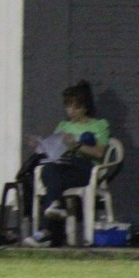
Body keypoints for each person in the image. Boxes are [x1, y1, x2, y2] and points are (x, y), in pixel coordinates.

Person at [23, 80, 111, 248]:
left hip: (84, 168)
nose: (70, 111)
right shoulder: (63, 126)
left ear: (84, 107)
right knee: (49, 169)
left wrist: (76, 145)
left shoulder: (99, 125)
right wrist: (40, 146)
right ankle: (53, 211)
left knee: (54, 179)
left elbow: (99, 153)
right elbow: (54, 149)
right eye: (67, 107)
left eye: (74, 107)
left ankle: (46, 230)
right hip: (62, 166)